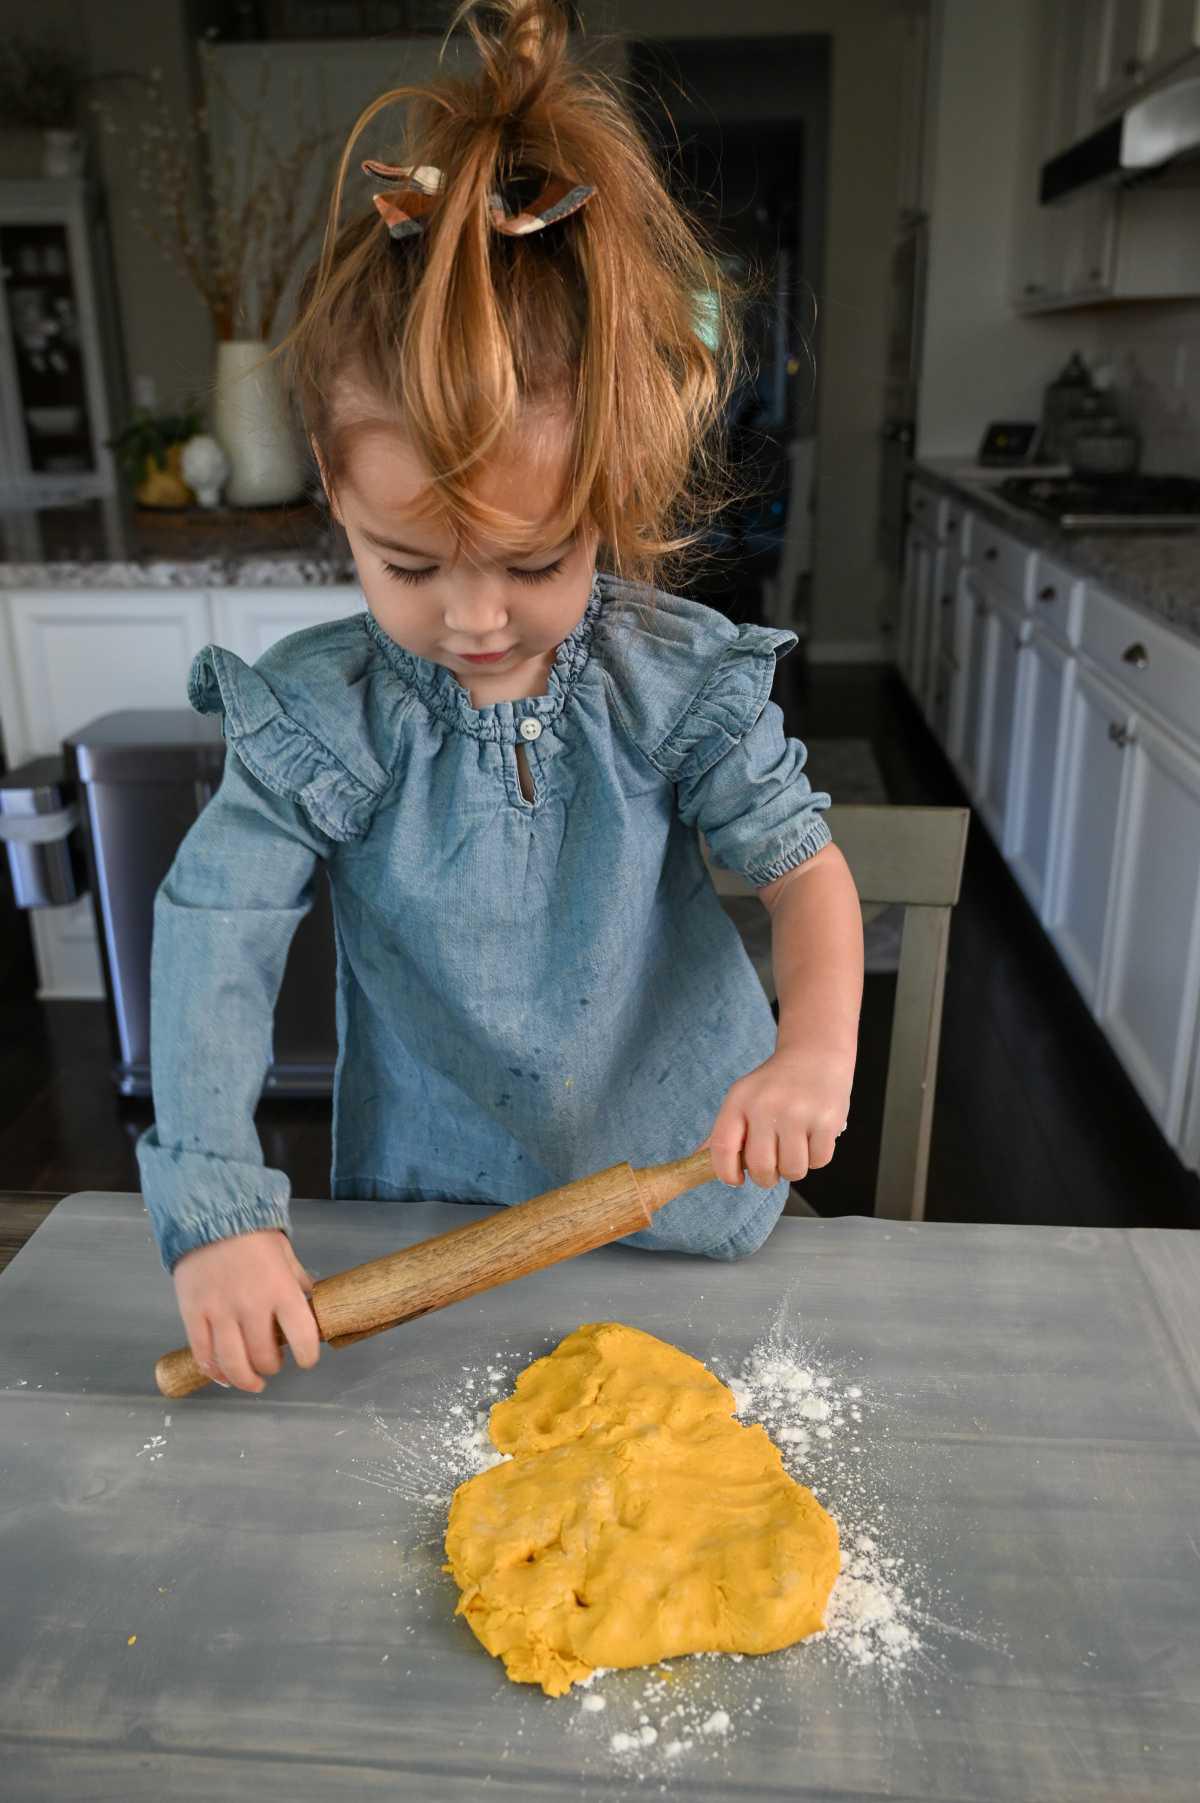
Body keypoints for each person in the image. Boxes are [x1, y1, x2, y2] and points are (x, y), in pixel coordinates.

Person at [137, 0, 864, 1396]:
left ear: (610, 504)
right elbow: (212, 934)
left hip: (685, 1206)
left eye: (534, 561)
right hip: (426, 1225)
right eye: (406, 562)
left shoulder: (668, 680)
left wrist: (814, 1052)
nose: (471, 617)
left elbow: (806, 875)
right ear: (333, 498)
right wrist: (220, 1212)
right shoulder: (322, 715)